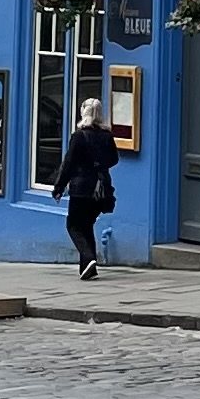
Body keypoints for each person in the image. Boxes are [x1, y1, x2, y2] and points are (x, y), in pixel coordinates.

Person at [58, 98, 120, 281]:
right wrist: (99, 164)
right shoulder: (107, 135)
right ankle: (88, 268)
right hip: (101, 188)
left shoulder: (79, 136)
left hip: (81, 188)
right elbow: (114, 159)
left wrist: (59, 186)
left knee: (74, 225)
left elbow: (68, 163)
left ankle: (89, 257)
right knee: (87, 225)